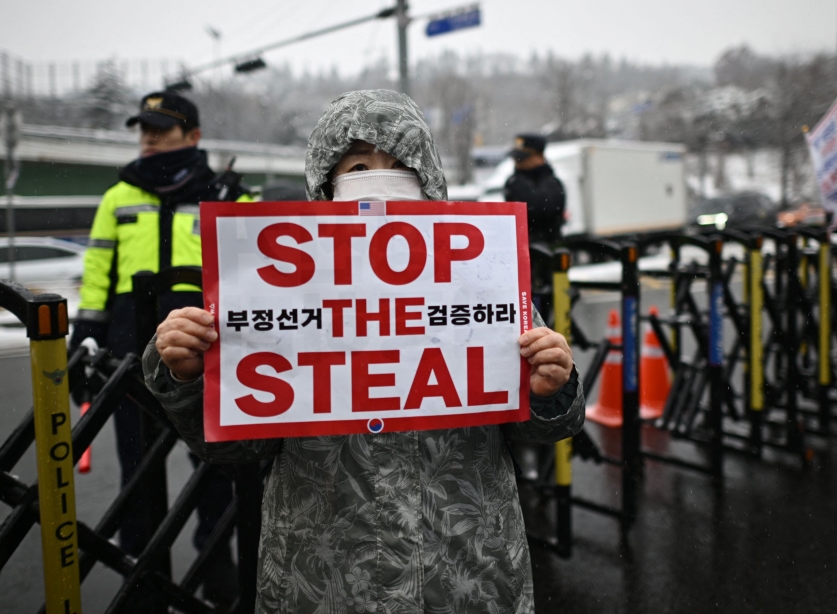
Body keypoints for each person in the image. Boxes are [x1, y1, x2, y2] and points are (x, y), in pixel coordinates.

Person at [144, 89, 584, 613]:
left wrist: (552, 387)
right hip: (322, 579)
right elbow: (236, 450)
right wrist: (191, 377)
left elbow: (544, 428)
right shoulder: (273, 291)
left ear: (429, 178)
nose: (381, 177)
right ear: (326, 184)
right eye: (357, 164)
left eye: (401, 163)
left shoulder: (482, 280)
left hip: (467, 574)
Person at [71, 91, 249, 603]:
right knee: (137, 473)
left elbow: (260, 277)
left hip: (209, 352)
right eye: (143, 129)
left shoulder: (229, 195)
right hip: (128, 354)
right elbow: (97, 276)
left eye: (160, 129)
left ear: (193, 137)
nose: (148, 138)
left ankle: (218, 575)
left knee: (216, 468)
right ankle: (141, 575)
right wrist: (86, 336)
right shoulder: (117, 196)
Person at [503, 134, 565, 245]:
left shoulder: (551, 183)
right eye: (516, 158)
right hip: (521, 245)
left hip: (547, 247)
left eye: (522, 158)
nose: (518, 162)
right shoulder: (514, 181)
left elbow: (540, 212)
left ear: (539, 157)